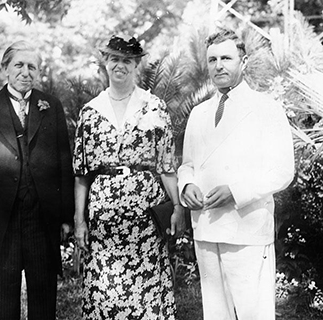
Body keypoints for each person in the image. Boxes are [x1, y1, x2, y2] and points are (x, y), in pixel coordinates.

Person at [178, 29, 294, 320]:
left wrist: (235, 190)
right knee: (216, 314)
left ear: (243, 61)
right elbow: (187, 164)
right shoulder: (199, 113)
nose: (219, 65)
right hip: (206, 227)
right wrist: (186, 185)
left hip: (246, 229)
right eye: (213, 59)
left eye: (227, 58)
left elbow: (282, 171)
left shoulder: (266, 109)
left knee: (253, 314)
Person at [73, 35, 186, 319]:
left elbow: (167, 166)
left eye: (126, 60)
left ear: (136, 65)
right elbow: (82, 175)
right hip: (104, 219)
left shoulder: (154, 106)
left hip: (145, 215)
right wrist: (79, 221)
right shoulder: (90, 112)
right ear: (105, 63)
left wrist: (177, 207)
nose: (119, 66)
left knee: (147, 293)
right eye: (114, 59)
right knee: (105, 290)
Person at [0, 40, 74, 320]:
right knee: (7, 306)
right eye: (19, 65)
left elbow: (64, 165)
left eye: (32, 66)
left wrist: (65, 217)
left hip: (42, 220)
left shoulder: (52, 106)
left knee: (44, 302)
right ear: (5, 69)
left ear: (38, 72)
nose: (26, 72)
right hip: (3, 222)